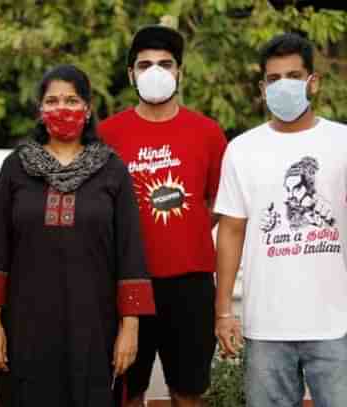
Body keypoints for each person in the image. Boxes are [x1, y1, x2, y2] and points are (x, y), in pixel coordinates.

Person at [0, 64, 155, 407]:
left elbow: (131, 252)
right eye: (52, 101)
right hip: (25, 327)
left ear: (87, 109)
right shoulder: (17, 166)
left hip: (95, 327)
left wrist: (130, 328)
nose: (62, 109)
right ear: (40, 110)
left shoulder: (112, 169)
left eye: (71, 100)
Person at [215, 32, 347, 407]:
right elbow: (231, 230)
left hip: (335, 323)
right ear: (262, 87)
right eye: (274, 79)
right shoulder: (242, 150)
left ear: (313, 83)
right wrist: (223, 310)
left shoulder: (342, 142)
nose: (283, 86)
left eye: (293, 76)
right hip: (267, 325)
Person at [99, 25, 227, 407]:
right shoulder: (107, 134)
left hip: (190, 283)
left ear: (180, 72)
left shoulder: (208, 132)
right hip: (124, 282)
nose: (155, 71)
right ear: (131, 74)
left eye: (166, 63)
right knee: (125, 389)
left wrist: (183, 235)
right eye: (145, 64)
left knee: (188, 391)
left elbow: (221, 201)